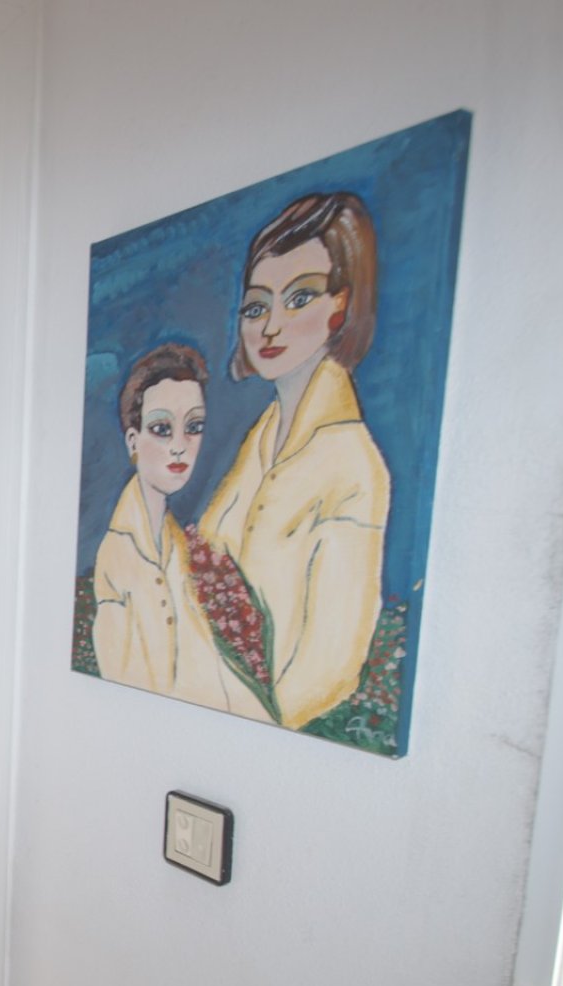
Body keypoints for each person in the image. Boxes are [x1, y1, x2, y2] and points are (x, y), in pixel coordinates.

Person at [199, 192, 390, 729]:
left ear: (339, 306)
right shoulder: (260, 442)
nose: (270, 327)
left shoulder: (352, 465)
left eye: (299, 298)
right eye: (257, 307)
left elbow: (329, 670)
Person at [92, 343, 268, 720]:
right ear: (133, 442)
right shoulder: (120, 554)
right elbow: (120, 690)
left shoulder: (178, 545)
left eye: (193, 428)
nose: (179, 447)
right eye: (161, 429)